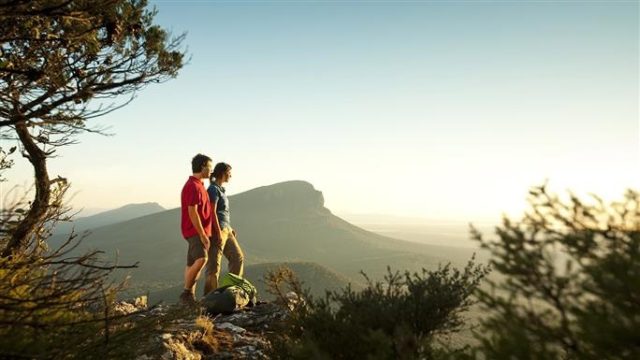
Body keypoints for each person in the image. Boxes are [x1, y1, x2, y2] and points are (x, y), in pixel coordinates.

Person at [204, 162, 245, 295]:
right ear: (223, 172)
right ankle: (210, 299)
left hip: (226, 230)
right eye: (229, 172)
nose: (231, 175)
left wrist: (229, 227)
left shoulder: (221, 190)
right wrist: (217, 231)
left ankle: (230, 292)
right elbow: (211, 211)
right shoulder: (213, 189)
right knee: (213, 267)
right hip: (218, 230)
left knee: (237, 258)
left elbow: (223, 213)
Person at [179, 154, 214, 304]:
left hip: (195, 230)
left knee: (191, 263)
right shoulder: (193, 186)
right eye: (210, 168)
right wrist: (202, 235)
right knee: (202, 259)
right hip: (194, 230)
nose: (211, 171)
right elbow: (192, 212)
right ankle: (186, 293)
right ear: (203, 167)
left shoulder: (199, 185)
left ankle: (189, 297)